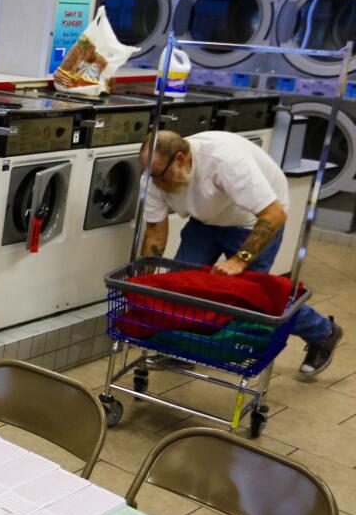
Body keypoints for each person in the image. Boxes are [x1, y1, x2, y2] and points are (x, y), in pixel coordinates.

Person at [140, 129, 344, 377]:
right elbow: (155, 233)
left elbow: (274, 214)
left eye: (160, 175)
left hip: (255, 221)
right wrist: (142, 282)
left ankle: (323, 332)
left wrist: (240, 260)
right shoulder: (154, 178)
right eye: (151, 175)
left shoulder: (224, 161)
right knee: (182, 284)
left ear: (181, 159)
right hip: (207, 220)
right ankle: (182, 352)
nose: (155, 182)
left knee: (253, 299)